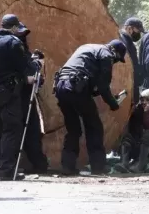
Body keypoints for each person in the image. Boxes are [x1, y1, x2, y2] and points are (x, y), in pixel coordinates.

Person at [53, 40, 127, 175]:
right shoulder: (106, 54)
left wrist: (95, 91)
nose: (115, 62)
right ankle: (98, 167)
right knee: (94, 127)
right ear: (114, 52)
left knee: (73, 128)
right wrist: (113, 103)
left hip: (61, 86)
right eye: (117, 59)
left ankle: (67, 167)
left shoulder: (86, 47)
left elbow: (88, 77)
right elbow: (104, 86)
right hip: (76, 87)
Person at [0, 14, 38, 181]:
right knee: (10, 130)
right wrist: (36, 63)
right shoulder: (14, 43)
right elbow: (25, 67)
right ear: (14, 28)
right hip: (8, 92)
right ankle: (6, 171)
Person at [14, 25, 48, 174]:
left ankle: (36, 163)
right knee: (29, 131)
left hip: (18, 97)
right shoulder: (16, 51)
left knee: (29, 132)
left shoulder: (19, 51)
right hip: (21, 98)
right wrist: (37, 64)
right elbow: (30, 73)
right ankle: (37, 164)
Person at [119, 17, 145, 102]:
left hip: (132, 84)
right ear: (129, 28)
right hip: (125, 85)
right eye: (138, 31)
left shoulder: (129, 42)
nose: (138, 34)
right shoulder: (121, 41)